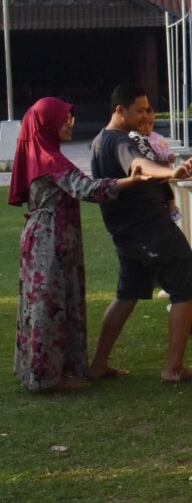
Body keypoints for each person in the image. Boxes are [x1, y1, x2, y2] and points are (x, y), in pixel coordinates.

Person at [10, 97, 149, 391]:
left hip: (50, 236)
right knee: (49, 304)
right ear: (47, 123)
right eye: (64, 118)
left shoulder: (42, 154)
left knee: (54, 301)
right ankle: (49, 378)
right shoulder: (49, 160)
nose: (69, 123)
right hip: (50, 238)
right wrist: (130, 181)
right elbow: (87, 189)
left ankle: (48, 372)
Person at [89, 83, 192, 383]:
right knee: (186, 287)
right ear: (120, 110)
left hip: (127, 233)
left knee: (127, 293)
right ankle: (173, 368)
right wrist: (172, 172)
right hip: (149, 229)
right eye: (140, 110)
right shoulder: (118, 141)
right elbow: (139, 167)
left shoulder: (100, 140)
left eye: (148, 109)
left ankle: (98, 364)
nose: (146, 115)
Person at [128, 107, 180, 222]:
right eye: (144, 124)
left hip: (159, 168)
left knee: (166, 187)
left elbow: (164, 149)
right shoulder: (132, 137)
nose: (147, 127)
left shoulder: (156, 137)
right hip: (147, 170)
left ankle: (172, 206)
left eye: (151, 124)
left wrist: (169, 156)